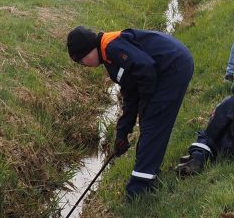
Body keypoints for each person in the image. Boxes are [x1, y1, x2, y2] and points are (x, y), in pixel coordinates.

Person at [66, 26, 194, 199]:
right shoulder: (108, 58)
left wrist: (145, 105)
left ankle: (139, 188)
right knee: (150, 122)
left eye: (82, 60)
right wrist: (122, 132)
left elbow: (146, 69)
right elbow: (130, 94)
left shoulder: (112, 47)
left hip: (173, 66)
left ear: (89, 49)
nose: (84, 65)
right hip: (166, 68)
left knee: (153, 124)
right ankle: (148, 175)